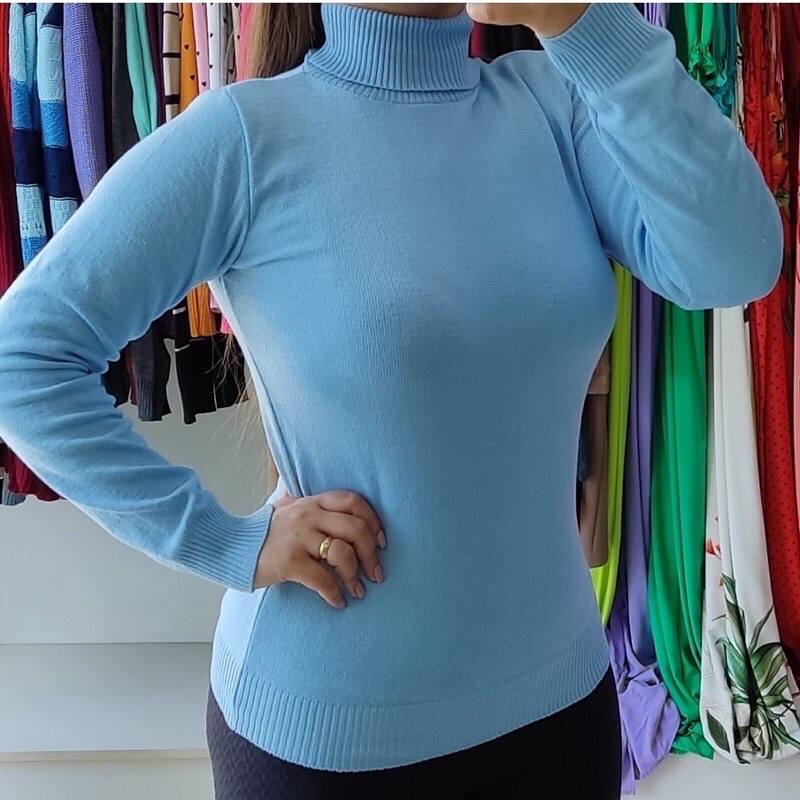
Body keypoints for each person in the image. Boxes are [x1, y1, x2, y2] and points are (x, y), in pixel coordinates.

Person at [0, 3, 781, 798]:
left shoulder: (555, 103)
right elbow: (20, 359)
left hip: (562, 712)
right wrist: (224, 542)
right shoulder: (246, 138)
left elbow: (737, 261)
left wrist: (581, 21)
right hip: (329, 744)